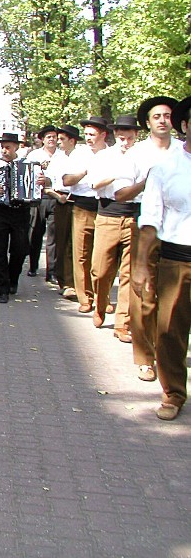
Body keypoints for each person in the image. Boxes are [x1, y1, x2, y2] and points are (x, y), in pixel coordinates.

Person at [114, 96, 181, 381]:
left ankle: (169, 351)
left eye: (167, 115)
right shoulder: (137, 154)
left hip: (178, 228)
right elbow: (120, 193)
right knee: (144, 291)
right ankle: (145, 357)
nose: (163, 120)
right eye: (157, 116)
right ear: (149, 123)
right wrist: (150, 181)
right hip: (145, 223)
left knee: (174, 295)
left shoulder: (183, 151)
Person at [131, 96, 190, 420]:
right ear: (186, 126)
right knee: (169, 332)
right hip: (176, 260)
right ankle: (173, 394)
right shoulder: (166, 168)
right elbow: (150, 220)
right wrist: (141, 266)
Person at [87, 116, 140, 339]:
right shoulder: (104, 157)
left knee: (129, 273)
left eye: (129, 137)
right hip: (108, 213)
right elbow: (93, 184)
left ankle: (123, 323)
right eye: (121, 137)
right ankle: (100, 304)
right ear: (114, 135)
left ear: (136, 136)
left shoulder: (143, 157)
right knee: (101, 270)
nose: (125, 141)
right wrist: (115, 173)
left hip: (134, 216)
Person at [0, 132, 44, 303]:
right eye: (2, 147)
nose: (4, 150)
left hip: (21, 211)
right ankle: (2, 289)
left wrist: (42, 183)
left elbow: (39, 184)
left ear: (16, 147)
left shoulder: (28, 165)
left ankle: (13, 278)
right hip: (1, 210)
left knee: (20, 248)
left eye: (7, 147)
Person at [62, 116, 110, 313]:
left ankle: (102, 297)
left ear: (103, 135)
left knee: (103, 257)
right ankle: (85, 298)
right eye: (86, 134)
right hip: (82, 206)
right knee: (81, 254)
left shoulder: (112, 154)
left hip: (106, 207)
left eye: (92, 134)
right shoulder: (78, 155)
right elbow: (66, 181)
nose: (88, 138)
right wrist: (83, 173)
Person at [46, 125, 79, 298]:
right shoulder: (57, 159)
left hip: (80, 201)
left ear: (72, 140)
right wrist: (56, 196)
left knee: (78, 244)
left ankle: (79, 281)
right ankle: (65, 282)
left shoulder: (83, 156)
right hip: (61, 201)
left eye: (62, 139)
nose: (58, 142)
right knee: (62, 241)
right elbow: (47, 184)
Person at [25, 126, 59, 280]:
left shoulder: (63, 156)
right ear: (43, 139)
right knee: (35, 232)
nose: (51, 139)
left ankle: (51, 271)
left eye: (54, 136)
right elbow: (25, 175)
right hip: (38, 198)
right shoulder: (34, 155)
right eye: (48, 137)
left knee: (53, 236)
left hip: (56, 197)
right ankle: (33, 266)